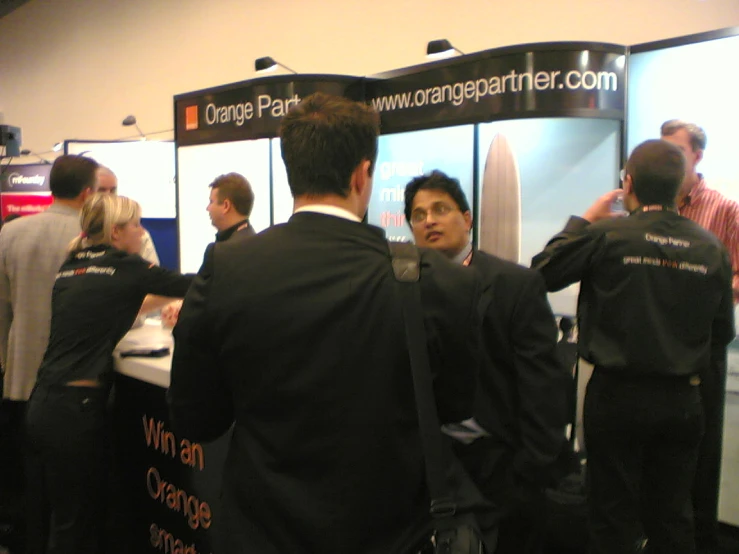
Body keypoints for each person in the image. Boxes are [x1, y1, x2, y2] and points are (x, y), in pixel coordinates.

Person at [168, 93, 487, 554]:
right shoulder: (439, 282)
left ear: (290, 171)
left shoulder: (226, 266)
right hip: (388, 533)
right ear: (362, 174)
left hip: (262, 534)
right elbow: (454, 406)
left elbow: (195, 417)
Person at [531, 139, 735, 554]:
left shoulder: (606, 234)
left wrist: (584, 219)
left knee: (611, 514)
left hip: (617, 396)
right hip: (683, 400)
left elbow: (541, 274)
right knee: (674, 517)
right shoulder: (711, 247)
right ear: (681, 187)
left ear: (627, 183)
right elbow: (722, 333)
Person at [404, 170, 568, 554]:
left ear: (467, 218)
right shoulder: (400, 285)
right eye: (418, 214)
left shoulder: (515, 285)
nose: (429, 220)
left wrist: (527, 473)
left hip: (497, 459)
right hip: (427, 460)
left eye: (440, 209)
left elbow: (543, 389)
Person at [24, 193, 192, 554]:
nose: (142, 231)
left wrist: (162, 300)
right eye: (136, 225)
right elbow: (194, 286)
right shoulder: (125, 266)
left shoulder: (74, 263)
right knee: (77, 524)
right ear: (117, 233)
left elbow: (115, 303)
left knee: (72, 517)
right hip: (75, 411)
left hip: (47, 404)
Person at [660, 119, 739, 553]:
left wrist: (701, 286)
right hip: (655, 345)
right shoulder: (650, 209)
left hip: (703, 347)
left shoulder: (725, 209)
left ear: (698, 156)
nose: (668, 160)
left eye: (677, 151)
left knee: (702, 455)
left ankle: (703, 541)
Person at [95, 165, 160, 264]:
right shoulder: (79, 232)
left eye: (112, 190)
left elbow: (154, 274)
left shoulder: (138, 235)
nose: (109, 195)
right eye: (101, 190)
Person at [206, 172, 256, 242]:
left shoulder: (219, 250)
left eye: (211, 202)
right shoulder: (259, 244)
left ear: (226, 206)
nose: (207, 208)